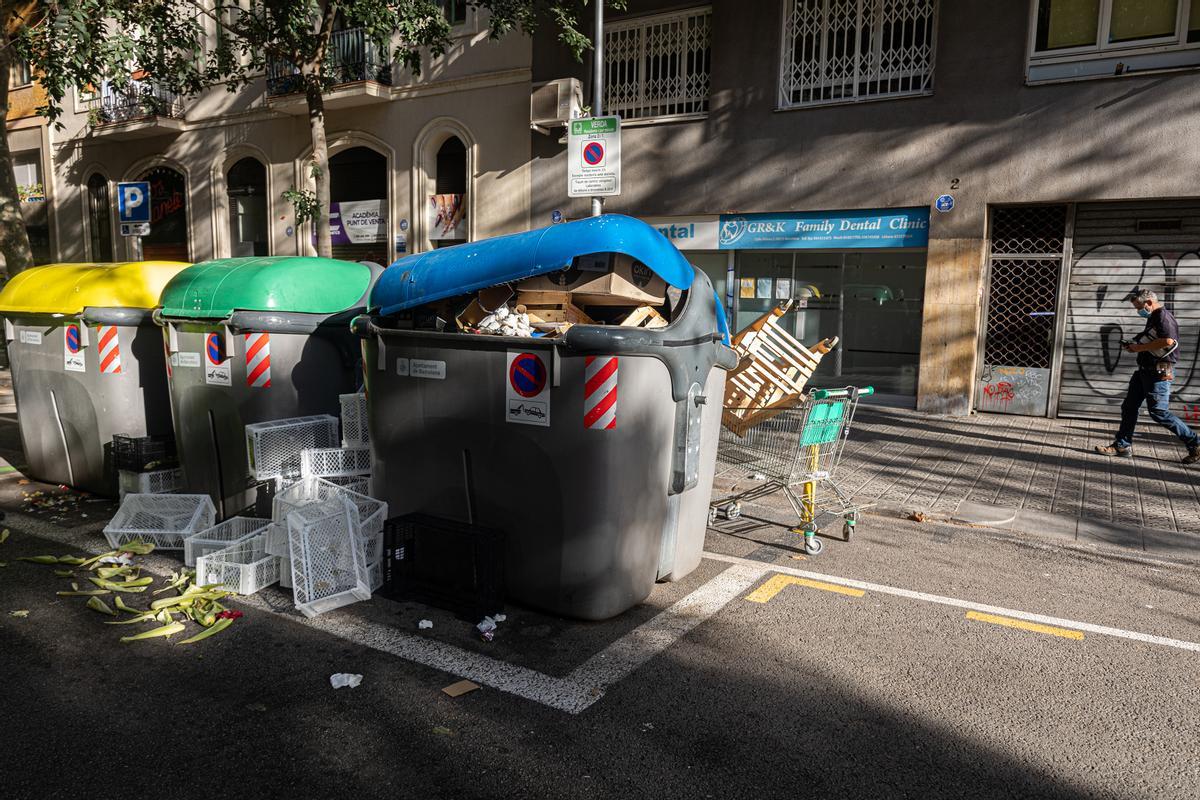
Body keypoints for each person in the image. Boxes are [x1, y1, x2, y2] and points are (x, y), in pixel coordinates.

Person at [1095, 289, 1200, 463]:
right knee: (1129, 407)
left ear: (1149, 303)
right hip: (1144, 370)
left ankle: (1194, 443)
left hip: (1158, 372)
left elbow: (1168, 341)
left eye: (1139, 307)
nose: (1138, 311)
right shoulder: (1154, 317)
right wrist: (1134, 343)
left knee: (1158, 412)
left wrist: (1139, 348)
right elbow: (1152, 339)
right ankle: (1122, 445)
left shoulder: (1163, 317)